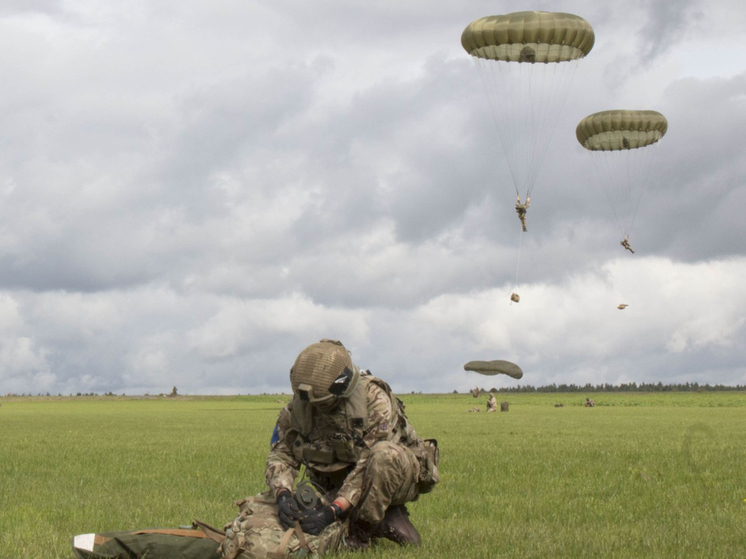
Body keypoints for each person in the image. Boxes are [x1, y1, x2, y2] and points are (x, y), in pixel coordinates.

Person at [265, 339, 438, 551]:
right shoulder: (297, 409)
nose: (316, 408)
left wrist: (332, 511)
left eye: (323, 403)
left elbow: (368, 466)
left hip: (393, 476)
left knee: (384, 456)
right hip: (335, 483)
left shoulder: (373, 400)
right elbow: (281, 454)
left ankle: (361, 533)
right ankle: (360, 517)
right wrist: (282, 494)